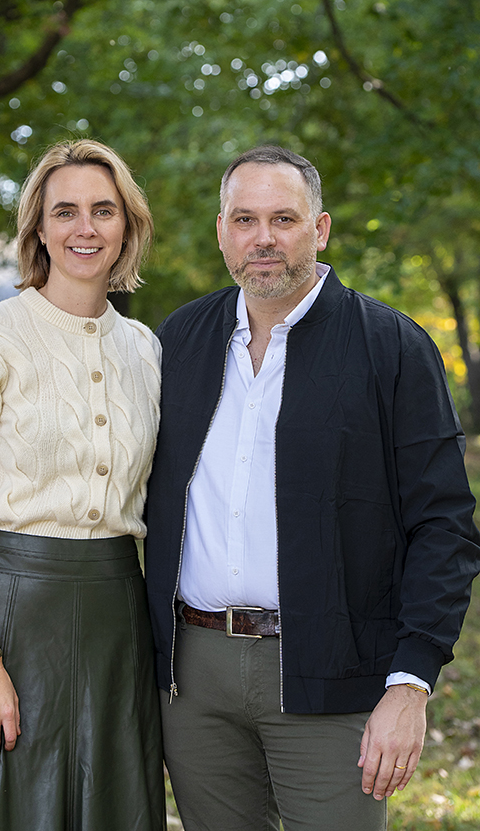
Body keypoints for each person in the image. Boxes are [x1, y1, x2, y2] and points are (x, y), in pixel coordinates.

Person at [144, 144, 480, 831]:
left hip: (334, 668)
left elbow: (443, 524)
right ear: (220, 231)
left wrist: (409, 683)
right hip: (192, 674)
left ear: (318, 228)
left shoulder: (391, 345)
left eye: (282, 219)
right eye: (243, 220)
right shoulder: (179, 339)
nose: (262, 238)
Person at [0, 139, 165, 831]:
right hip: (8, 616)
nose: (85, 228)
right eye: (65, 211)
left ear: (127, 227)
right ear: (38, 229)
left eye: (103, 211)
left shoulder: (144, 350)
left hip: (115, 621)